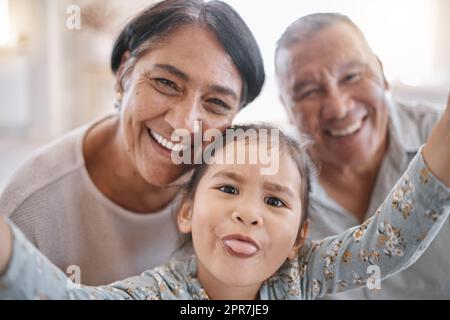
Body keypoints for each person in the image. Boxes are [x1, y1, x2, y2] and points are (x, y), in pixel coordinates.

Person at [0, 105, 450, 300]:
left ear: (300, 236)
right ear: (187, 211)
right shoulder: (161, 293)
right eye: (229, 189)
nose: (249, 213)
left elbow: (388, 243)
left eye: (275, 201)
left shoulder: (299, 275)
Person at [0, 0, 265, 285]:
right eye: (166, 83)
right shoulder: (31, 208)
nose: (184, 124)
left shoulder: (242, 201)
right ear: (125, 71)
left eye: (216, 103)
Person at [275, 12, 449, 299]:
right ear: (286, 106)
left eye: (352, 77)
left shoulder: (441, 137)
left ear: (381, 74)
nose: (339, 108)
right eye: (308, 91)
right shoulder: (269, 186)